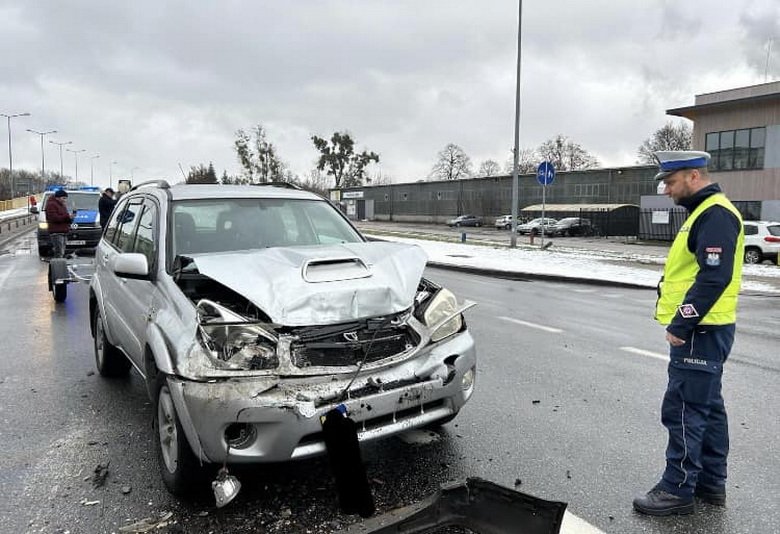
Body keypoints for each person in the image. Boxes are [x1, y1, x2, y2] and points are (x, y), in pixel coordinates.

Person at [633, 151, 744, 516]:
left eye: (670, 181)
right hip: (708, 328)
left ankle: (676, 488)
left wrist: (682, 323)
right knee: (708, 408)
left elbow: (714, 276)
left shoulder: (715, 214)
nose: (665, 189)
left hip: (699, 330)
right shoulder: (705, 212)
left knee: (683, 408)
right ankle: (711, 485)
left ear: (693, 176)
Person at [45, 189, 74, 259]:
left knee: (62, 252)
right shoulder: (51, 205)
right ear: (57, 197)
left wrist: (71, 218)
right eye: (63, 198)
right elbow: (54, 218)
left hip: (63, 231)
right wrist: (67, 216)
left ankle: (60, 265)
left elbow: (64, 217)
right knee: (59, 252)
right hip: (56, 232)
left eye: (66, 198)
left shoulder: (62, 205)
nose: (65, 200)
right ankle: (58, 267)